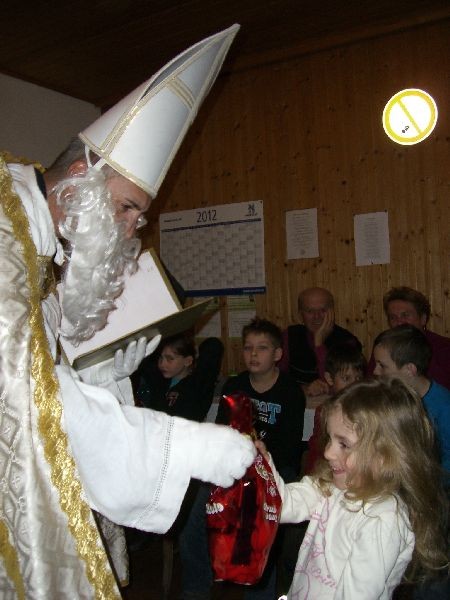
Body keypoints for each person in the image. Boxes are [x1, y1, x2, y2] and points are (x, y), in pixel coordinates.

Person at [0, 25, 257, 599]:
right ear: (80, 178)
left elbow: (37, 363)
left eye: (136, 218)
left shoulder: (33, 236)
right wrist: (185, 445)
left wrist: (98, 372)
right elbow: (18, 394)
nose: (127, 231)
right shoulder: (5, 238)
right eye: (124, 208)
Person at [257, 378, 449, 599]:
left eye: (344, 444)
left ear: (385, 456)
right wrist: (261, 466)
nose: (328, 452)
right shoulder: (333, 487)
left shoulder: (382, 519)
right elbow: (281, 505)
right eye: (330, 439)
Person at [179, 318, 305, 600]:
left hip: (273, 469)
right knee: (192, 508)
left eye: (262, 348)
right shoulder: (235, 385)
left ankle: (258, 592)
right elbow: (223, 432)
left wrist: (258, 462)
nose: (254, 354)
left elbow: (289, 447)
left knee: (260, 519)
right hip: (233, 467)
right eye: (248, 348)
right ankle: (196, 586)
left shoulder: (290, 391)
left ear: (277, 354)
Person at [372, 324, 450, 475]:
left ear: (410, 370)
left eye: (382, 366)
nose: (375, 371)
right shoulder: (389, 396)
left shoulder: (445, 408)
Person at [278, 287, 362, 399]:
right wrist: (303, 389)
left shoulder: (347, 341)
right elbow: (277, 379)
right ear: (300, 314)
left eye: (323, 310)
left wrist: (319, 345)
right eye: (310, 311)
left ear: (332, 312)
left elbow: (349, 387)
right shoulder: (289, 336)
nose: (317, 316)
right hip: (296, 401)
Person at [368, 286, 450, 389]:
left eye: (405, 315)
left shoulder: (444, 348)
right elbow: (371, 383)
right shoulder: (383, 346)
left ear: (423, 319)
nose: (399, 322)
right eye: (393, 317)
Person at [304, 343, 367, 474]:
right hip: (326, 470)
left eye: (358, 378)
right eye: (346, 378)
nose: (354, 384)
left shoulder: (366, 412)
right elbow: (316, 451)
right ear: (329, 379)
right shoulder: (324, 411)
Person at [132, 334, 224, 422]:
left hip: (184, 431)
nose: (162, 364)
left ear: (187, 361)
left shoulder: (197, 385)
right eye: (161, 358)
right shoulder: (159, 380)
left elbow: (213, 345)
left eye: (170, 359)